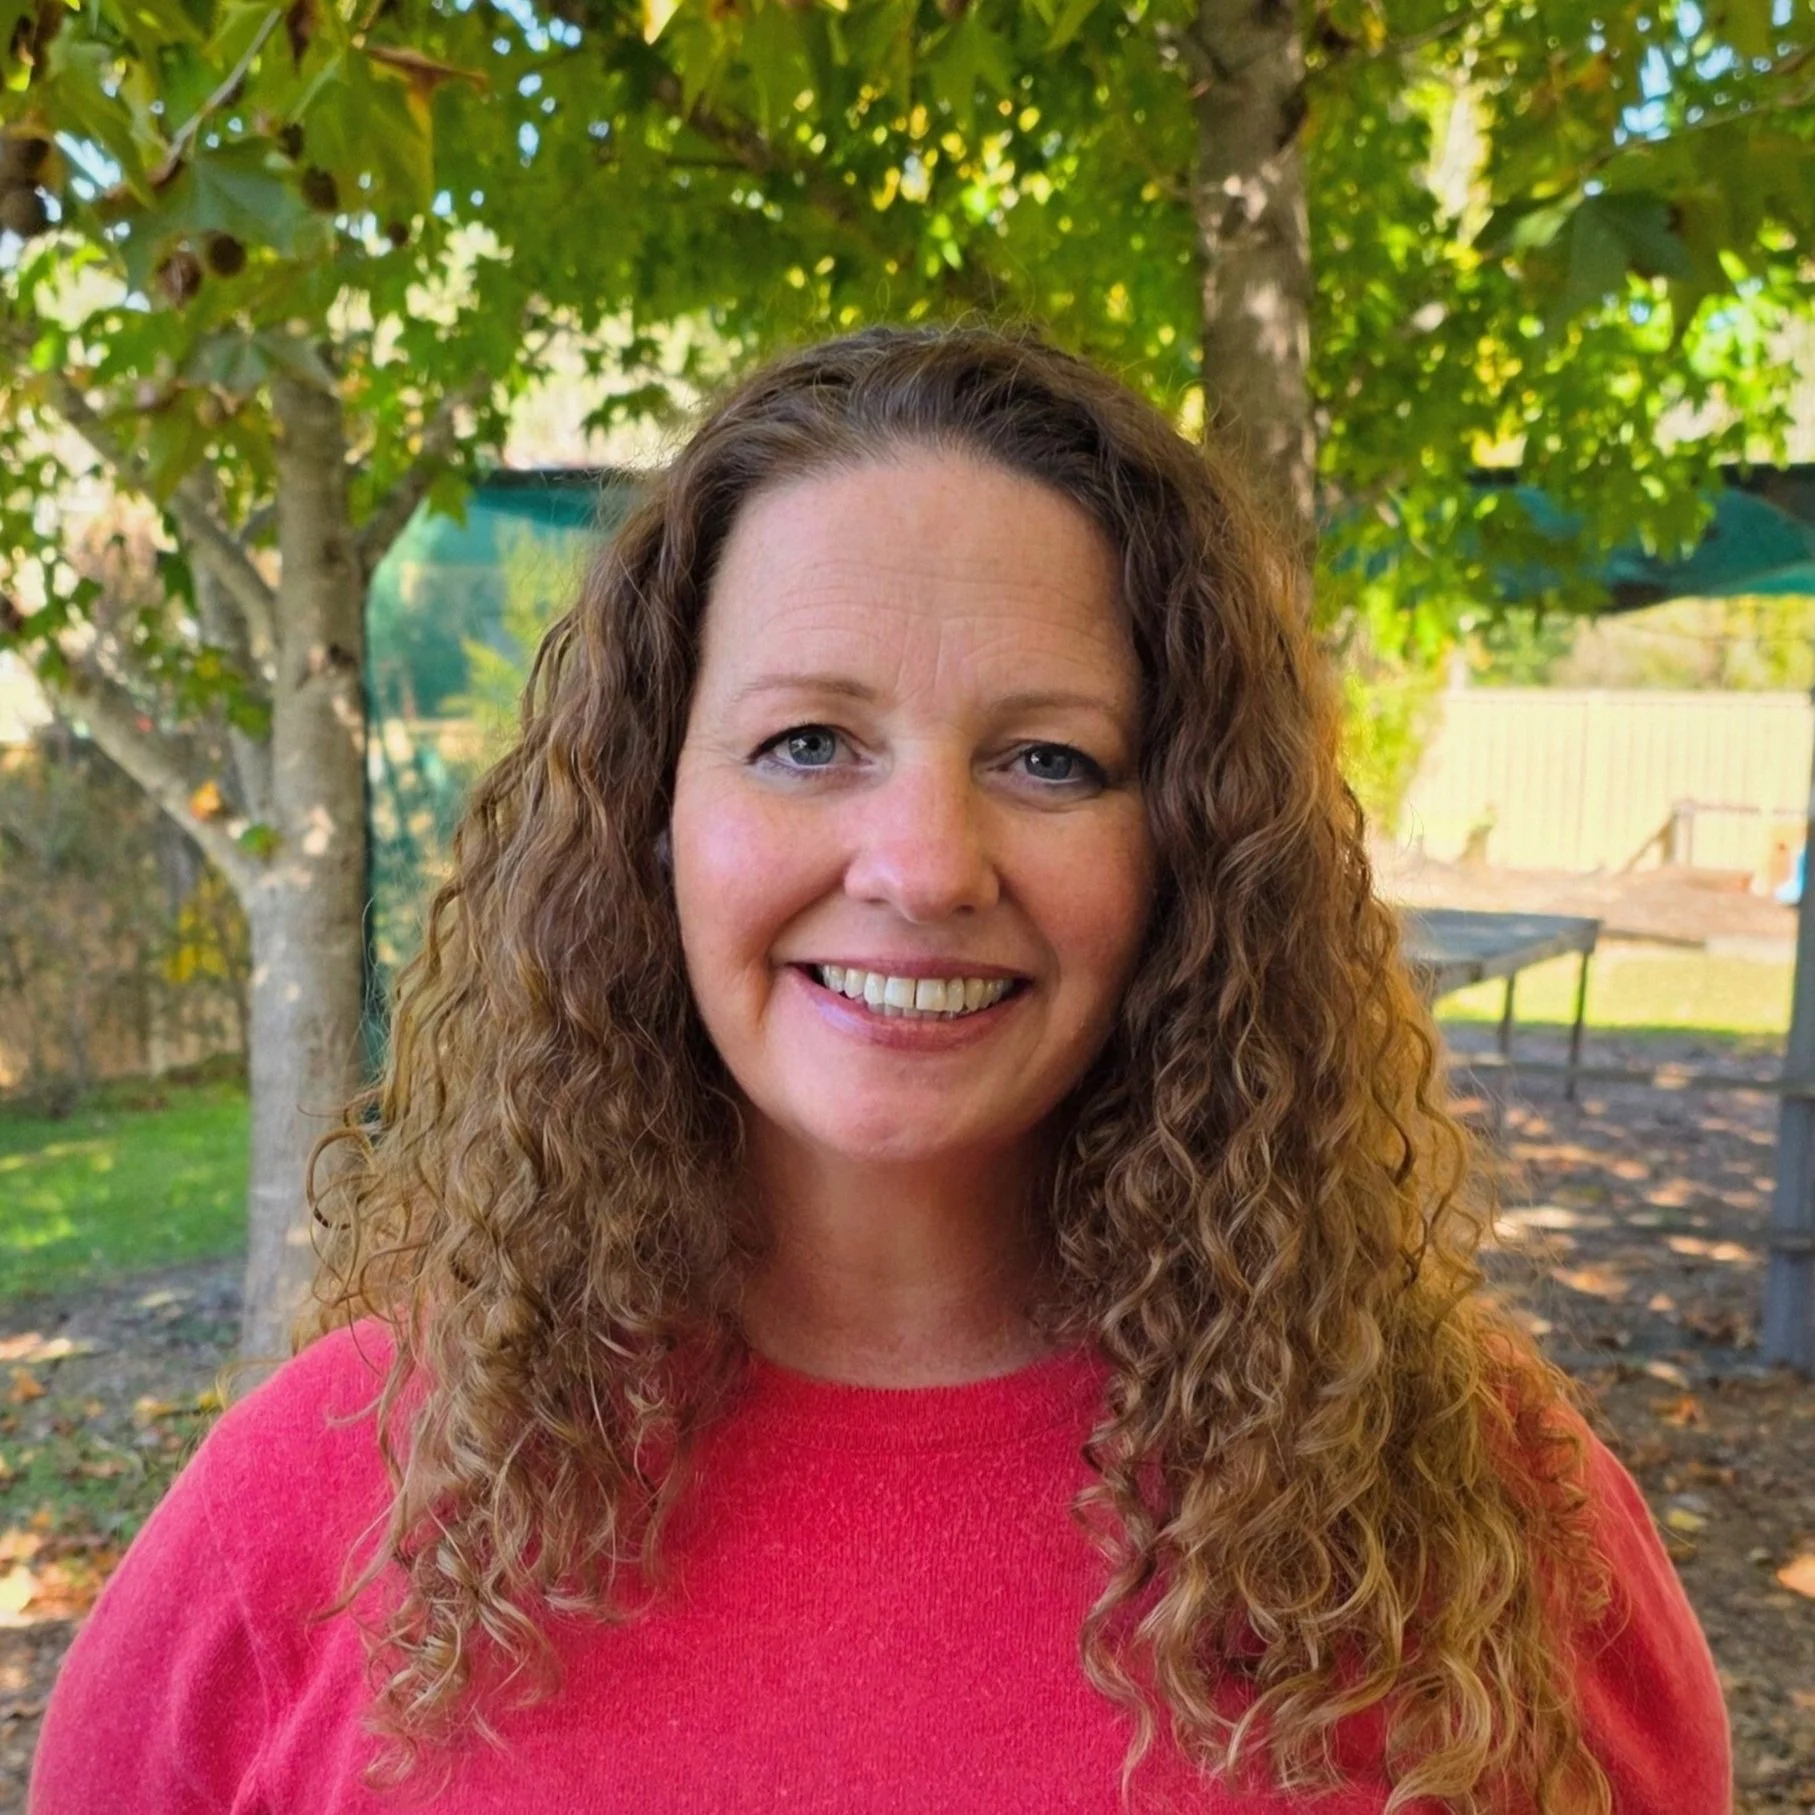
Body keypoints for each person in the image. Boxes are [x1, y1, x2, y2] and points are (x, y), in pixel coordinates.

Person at [31, 326, 1729, 1814]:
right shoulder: (310, 1515)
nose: (922, 859)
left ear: (1191, 854)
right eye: (807, 742)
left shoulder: (1479, 1515)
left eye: (1049, 757)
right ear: (651, 818)